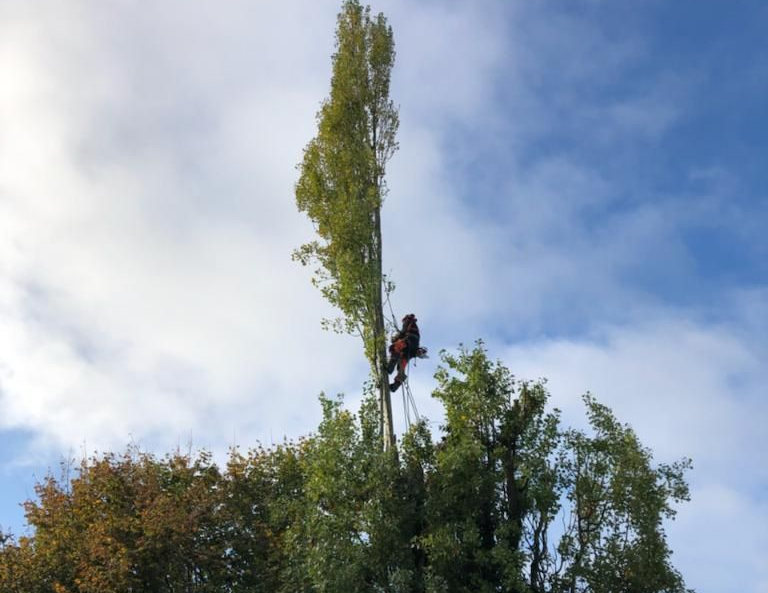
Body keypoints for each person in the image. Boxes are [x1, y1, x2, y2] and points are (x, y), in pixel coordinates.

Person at [386, 313, 420, 392]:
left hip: (408, 341)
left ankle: (390, 367)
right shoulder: (415, 327)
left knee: (394, 348)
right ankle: (395, 386)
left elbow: (403, 332)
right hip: (412, 350)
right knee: (401, 365)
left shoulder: (408, 321)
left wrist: (395, 338)